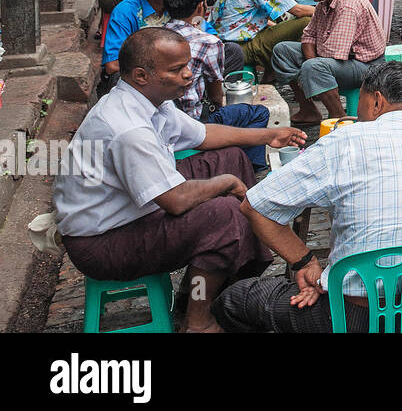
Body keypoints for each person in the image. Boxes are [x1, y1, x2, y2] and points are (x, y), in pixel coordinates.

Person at [54, 28, 304, 333]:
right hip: (103, 242)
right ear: (142, 75)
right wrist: (225, 183)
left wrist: (270, 135)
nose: (188, 75)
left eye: (186, 66)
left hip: (131, 212)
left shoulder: (152, 102)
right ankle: (197, 319)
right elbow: (175, 200)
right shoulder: (127, 128)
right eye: (176, 69)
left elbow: (205, 135)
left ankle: (203, 283)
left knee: (232, 158)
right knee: (224, 215)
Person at [213, 62, 402, 333]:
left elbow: (254, 206)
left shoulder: (344, 141)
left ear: (377, 101)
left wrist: (305, 263)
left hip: (351, 316)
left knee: (233, 300)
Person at [163, 0, 271, 169]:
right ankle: (249, 167)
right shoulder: (208, 42)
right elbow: (215, 95)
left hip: (163, 120)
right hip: (193, 124)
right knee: (257, 113)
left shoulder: (155, 35)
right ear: (199, 7)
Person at [271, 0, 387, 123]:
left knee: (314, 67)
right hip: (339, 58)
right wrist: (308, 67)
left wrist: (308, 68)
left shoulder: (348, 2)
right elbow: (308, 35)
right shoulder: (325, 1)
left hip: (367, 66)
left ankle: (339, 116)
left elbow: (333, 53)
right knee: (282, 51)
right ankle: (308, 109)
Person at [102, 0, 189, 80]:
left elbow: (205, 33)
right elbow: (113, 65)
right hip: (145, 77)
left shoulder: (179, 1)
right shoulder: (125, 12)